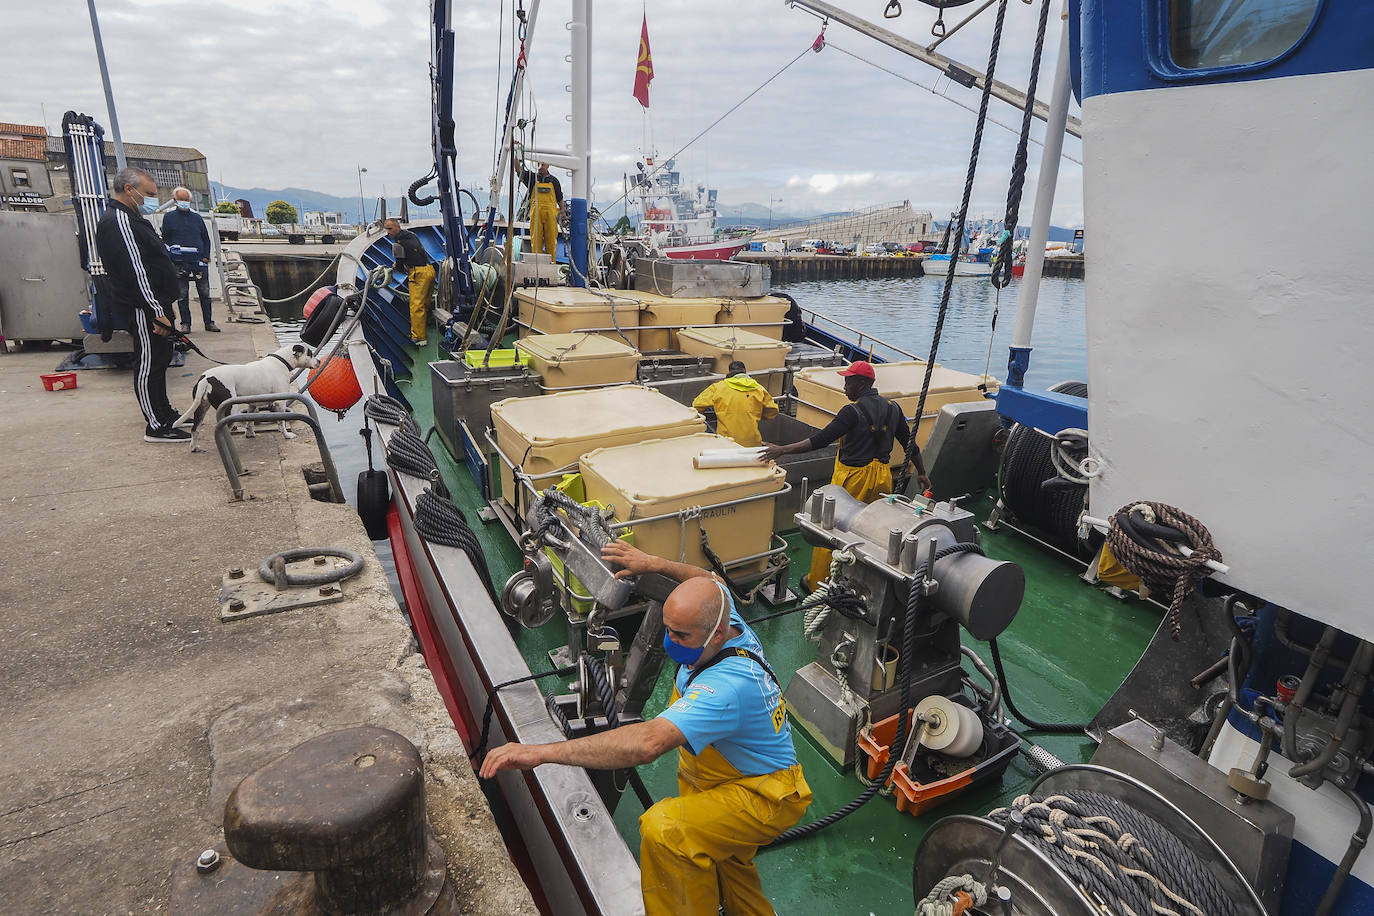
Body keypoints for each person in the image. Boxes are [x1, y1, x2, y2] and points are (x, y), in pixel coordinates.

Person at [481, 541, 811, 916]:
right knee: (728, 862)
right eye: (668, 630)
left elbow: (649, 742)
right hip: (725, 779)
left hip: (762, 796)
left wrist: (540, 753)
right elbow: (710, 581)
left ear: (716, 635)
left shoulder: (726, 687)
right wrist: (652, 563)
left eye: (681, 636)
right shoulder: (725, 617)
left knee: (668, 831)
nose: (670, 643)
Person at [760, 361, 930, 589]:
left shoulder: (852, 411)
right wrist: (921, 472)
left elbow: (820, 440)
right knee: (873, 534)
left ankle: (818, 582)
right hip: (882, 479)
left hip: (852, 479)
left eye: (848, 381)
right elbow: (910, 445)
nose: (844, 386)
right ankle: (858, 584)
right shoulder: (893, 408)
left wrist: (782, 450)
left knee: (829, 529)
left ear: (861, 383)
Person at [94, 167, 190, 443]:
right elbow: (137, 272)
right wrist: (156, 311)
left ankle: (165, 412)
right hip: (142, 308)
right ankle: (156, 425)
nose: (151, 200)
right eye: (148, 194)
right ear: (129, 189)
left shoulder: (133, 219)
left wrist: (166, 305)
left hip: (155, 304)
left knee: (160, 361)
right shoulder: (119, 222)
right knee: (148, 362)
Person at [160, 186, 219, 332]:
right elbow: (165, 239)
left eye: (186, 200)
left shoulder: (197, 218)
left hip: (198, 261)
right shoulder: (168, 218)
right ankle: (185, 323)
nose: (184, 202)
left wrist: (206, 256)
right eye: (181, 200)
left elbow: (205, 239)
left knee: (205, 293)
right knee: (182, 295)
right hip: (179, 262)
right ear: (175, 200)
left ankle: (209, 322)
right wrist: (170, 257)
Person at [692, 360, 779, 448]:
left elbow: (697, 405)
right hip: (752, 443)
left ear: (729, 372)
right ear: (745, 372)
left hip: (726, 442)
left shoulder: (718, 387)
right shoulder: (759, 389)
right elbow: (772, 412)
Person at [384, 218, 436, 346]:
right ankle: (428, 323)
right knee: (426, 302)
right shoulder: (412, 235)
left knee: (416, 306)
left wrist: (397, 266)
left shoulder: (397, 244)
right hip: (430, 270)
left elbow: (400, 265)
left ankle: (419, 337)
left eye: (390, 229)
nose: (387, 232)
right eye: (386, 229)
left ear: (398, 227)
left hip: (418, 274)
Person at [520, 161, 563, 258]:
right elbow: (518, 171)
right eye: (538, 164)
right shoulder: (532, 178)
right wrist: (517, 155)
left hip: (551, 216)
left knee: (551, 241)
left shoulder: (554, 181)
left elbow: (560, 198)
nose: (541, 167)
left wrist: (562, 212)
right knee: (536, 240)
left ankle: (551, 265)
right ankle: (537, 264)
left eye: (543, 164)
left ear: (548, 165)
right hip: (536, 215)